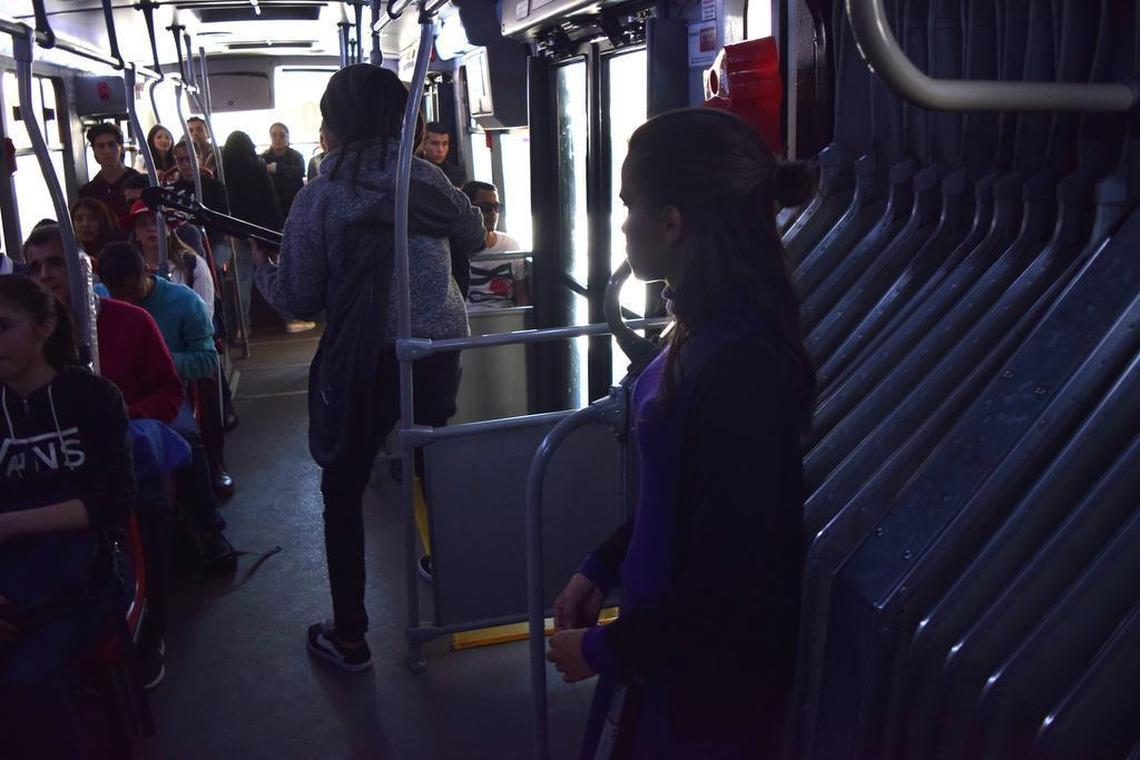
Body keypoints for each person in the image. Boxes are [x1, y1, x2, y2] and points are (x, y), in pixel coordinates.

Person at [545, 109, 815, 759]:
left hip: (706, 688)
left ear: (672, 224)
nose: (623, 223)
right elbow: (680, 498)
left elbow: (733, 578)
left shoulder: (743, 366)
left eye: (630, 206)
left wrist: (608, 648)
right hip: (666, 656)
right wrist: (604, 563)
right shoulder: (701, 329)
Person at [252, 63, 484, 672]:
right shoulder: (424, 179)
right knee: (432, 448)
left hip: (364, 356)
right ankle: (451, 566)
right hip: (437, 345)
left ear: (338, 123)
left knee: (342, 485)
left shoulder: (320, 196)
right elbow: (474, 231)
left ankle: (350, 635)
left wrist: (263, 269)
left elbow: (300, 299)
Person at [23, 227, 185, 689]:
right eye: (35, 267)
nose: (45, 276)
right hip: (57, 454)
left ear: (82, 266)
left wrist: (118, 418)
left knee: (142, 499)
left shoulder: (130, 322)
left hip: (124, 439)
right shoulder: (27, 338)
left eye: (56, 263)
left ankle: (151, 627)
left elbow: (169, 393)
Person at [0, 274, 135, 758]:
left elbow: (112, 502)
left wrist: (11, 524)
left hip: (89, 568)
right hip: (13, 574)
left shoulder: (93, 398)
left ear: (45, 326)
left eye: (3, 327)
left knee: (25, 678)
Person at [98, 242, 235, 563]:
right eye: (118, 295)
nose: (125, 302)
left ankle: (209, 529)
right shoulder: (99, 303)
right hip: (115, 396)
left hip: (163, 391)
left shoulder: (183, 302)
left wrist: (156, 358)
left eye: (131, 292)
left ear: (145, 271)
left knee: (186, 444)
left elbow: (205, 361)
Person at [221, 130, 304, 336]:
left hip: (237, 229)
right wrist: (277, 227)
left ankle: (243, 325)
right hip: (262, 228)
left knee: (243, 279)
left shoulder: (223, 171)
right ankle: (288, 319)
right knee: (277, 271)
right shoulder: (258, 167)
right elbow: (270, 198)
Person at [125, 201, 215, 319]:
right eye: (143, 224)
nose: (151, 228)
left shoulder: (193, 264)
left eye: (156, 222)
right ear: (136, 234)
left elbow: (205, 314)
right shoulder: (128, 268)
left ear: (168, 229)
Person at [462, 181, 530, 309]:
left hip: (506, 319)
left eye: (497, 208)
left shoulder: (511, 245)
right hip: (469, 321)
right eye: (485, 208)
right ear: (468, 210)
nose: (493, 214)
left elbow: (522, 296)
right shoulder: (455, 247)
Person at [79, 123, 140, 219]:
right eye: (100, 146)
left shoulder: (139, 182)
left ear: (121, 148)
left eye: (111, 145)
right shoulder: (88, 192)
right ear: (94, 152)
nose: (107, 151)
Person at [261, 122, 306, 216]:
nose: (277, 138)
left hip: (294, 205)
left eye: (282, 135)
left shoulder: (297, 156)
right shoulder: (263, 158)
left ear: (288, 137)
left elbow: (300, 172)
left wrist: (277, 168)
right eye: (274, 135)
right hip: (271, 206)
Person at [70, 197, 123, 262]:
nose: (85, 224)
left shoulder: (119, 252)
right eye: (79, 219)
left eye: (92, 218)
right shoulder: (69, 253)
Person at [418, 121, 467, 188]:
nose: (440, 150)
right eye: (435, 143)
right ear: (423, 145)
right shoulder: (413, 170)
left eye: (444, 144)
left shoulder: (456, 174)